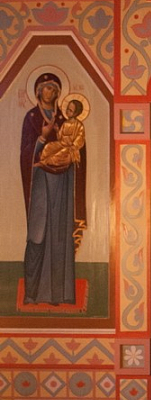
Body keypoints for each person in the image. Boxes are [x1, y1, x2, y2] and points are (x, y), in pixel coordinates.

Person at [20, 73, 87, 305]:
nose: (51, 92)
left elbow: (79, 147)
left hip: (63, 181)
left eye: (54, 89)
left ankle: (58, 295)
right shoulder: (31, 117)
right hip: (40, 181)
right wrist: (42, 137)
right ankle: (31, 294)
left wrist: (71, 150)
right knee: (37, 235)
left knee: (59, 235)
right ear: (38, 91)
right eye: (47, 87)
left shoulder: (65, 118)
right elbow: (25, 152)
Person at [36, 98, 86, 173]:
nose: (67, 111)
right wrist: (57, 131)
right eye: (67, 109)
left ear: (76, 113)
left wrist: (73, 146)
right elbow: (60, 137)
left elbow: (80, 138)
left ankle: (45, 162)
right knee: (48, 146)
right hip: (62, 144)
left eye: (70, 110)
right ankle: (43, 160)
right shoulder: (65, 123)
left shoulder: (79, 125)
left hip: (71, 149)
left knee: (60, 154)